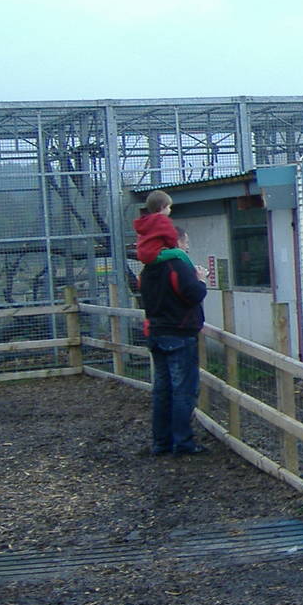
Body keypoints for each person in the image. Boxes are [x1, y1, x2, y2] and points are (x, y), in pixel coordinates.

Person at [140, 229, 209, 456]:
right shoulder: (178, 265)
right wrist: (200, 280)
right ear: (177, 241)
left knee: (162, 390)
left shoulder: (149, 267)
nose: (187, 247)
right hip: (179, 333)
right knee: (183, 390)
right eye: (186, 242)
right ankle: (183, 442)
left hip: (156, 332)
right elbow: (192, 294)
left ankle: (161, 442)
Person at [133, 190, 182, 265]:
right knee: (180, 253)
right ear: (163, 207)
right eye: (169, 207)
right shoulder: (162, 220)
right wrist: (172, 246)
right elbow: (172, 237)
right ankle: (194, 272)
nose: (170, 210)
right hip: (154, 255)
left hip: (143, 256)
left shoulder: (147, 221)